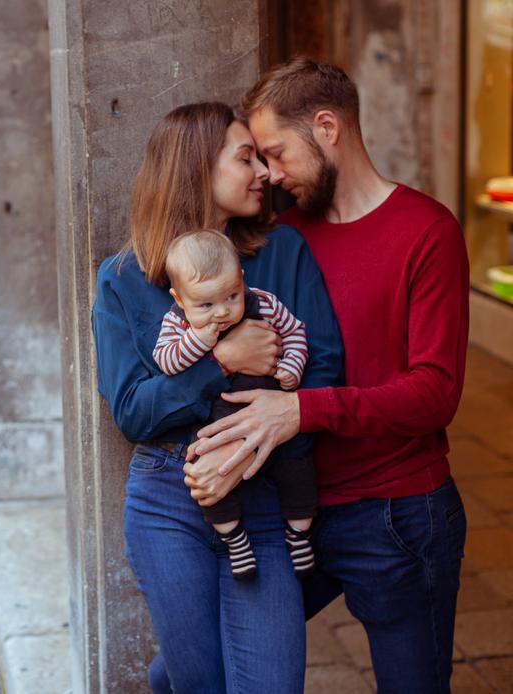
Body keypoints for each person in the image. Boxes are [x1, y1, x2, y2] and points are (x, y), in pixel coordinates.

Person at [184, 58, 469, 693]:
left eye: (279, 153)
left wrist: (302, 411)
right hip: (288, 511)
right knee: (185, 669)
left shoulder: (428, 231)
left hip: (397, 513)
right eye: (258, 158)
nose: (271, 174)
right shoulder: (279, 237)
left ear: (327, 126)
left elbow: (436, 393)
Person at [92, 101, 343, 693]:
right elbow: (132, 412)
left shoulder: (282, 253)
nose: (263, 172)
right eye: (245, 157)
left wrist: (262, 427)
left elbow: (326, 367)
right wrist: (220, 362)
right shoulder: (125, 277)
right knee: (198, 681)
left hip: (263, 492)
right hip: (168, 501)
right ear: (197, 169)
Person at [153, 229, 316, 581]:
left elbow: (296, 331)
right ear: (179, 299)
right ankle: (235, 539)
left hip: (271, 413)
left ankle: (299, 534)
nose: (222, 313)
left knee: (298, 470)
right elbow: (165, 361)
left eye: (231, 296)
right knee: (209, 479)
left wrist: (291, 367)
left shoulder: (264, 303)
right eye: (205, 305)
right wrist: (205, 344)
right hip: (220, 425)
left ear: (242, 278)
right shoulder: (177, 324)